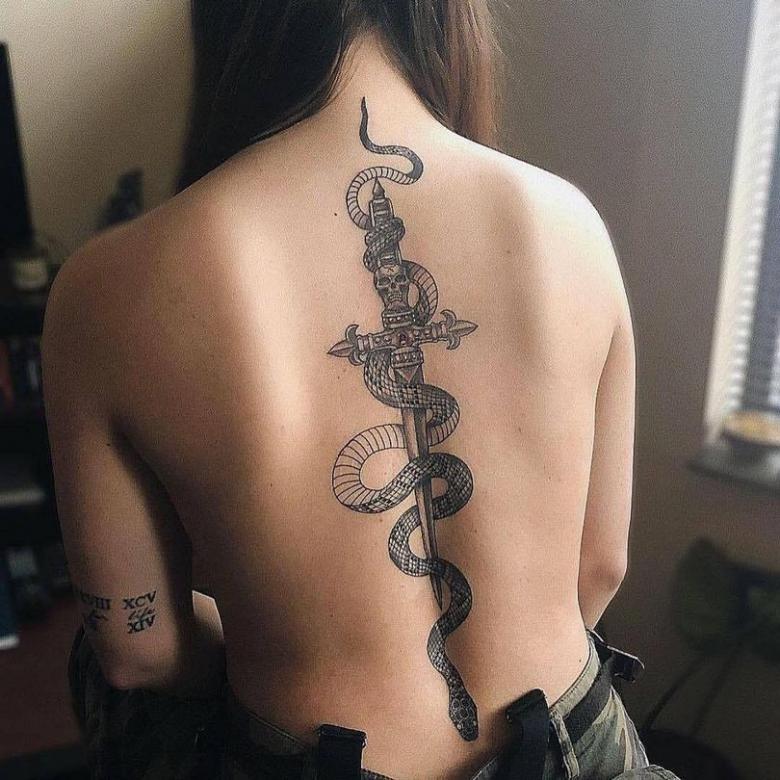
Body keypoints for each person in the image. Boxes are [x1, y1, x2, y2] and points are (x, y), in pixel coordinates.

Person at [45, 2, 682, 778]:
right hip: (570, 742)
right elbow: (598, 568)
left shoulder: (109, 289)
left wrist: (264, 628)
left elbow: (137, 652)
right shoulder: (567, 221)